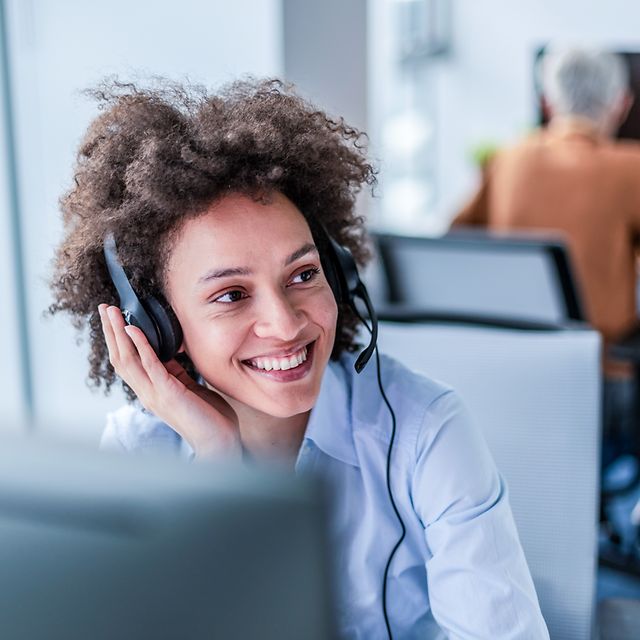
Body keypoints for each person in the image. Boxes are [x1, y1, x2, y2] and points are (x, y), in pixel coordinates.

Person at [50, 78, 549, 639]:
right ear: (158, 326)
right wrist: (218, 465)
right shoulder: (139, 452)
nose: (287, 324)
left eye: (304, 275)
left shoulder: (424, 429)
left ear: (336, 274)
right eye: (231, 295)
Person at [452, 47, 640, 470]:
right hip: (601, 375)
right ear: (622, 104)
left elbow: (453, 244)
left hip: (511, 370)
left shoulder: (506, 159)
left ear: (547, 102)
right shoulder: (632, 168)